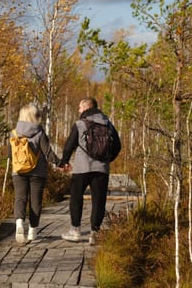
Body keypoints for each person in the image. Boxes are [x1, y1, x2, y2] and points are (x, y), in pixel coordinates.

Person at [60, 97, 121, 245]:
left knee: (76, 197)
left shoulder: (80, 124)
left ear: (86, 108)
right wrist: (107, 159)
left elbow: (69, 145)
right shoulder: (108, 124)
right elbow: (117, 146)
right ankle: (94, 233)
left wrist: (64, 162)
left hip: (82, 167)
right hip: (102, 169)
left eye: (80, 108)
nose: (78, 110)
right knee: (99, 201)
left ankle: (75, 231)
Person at [9, 103, 63, 243]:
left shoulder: (14, 133)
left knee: (20, 198)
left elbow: (10, 155)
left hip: (18, 171)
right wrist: (61, 163)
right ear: (35, 116)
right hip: (37, 172)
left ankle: (19, 224)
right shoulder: (39, 132)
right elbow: (48, 153)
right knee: (35, 201)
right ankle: (33, 231)